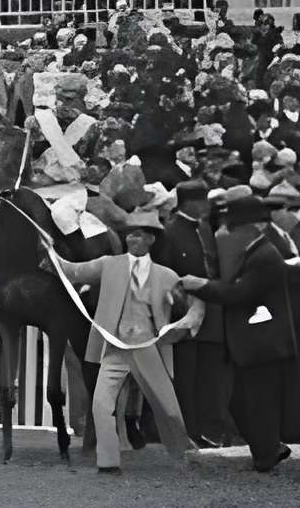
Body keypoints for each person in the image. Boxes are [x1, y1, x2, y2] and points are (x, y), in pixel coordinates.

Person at [54, 203, 204, 474]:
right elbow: (74, 271)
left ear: (151, 239)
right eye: (129, 234)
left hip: (149, 349)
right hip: (115, 348)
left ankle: (185, 454)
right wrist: (50, 254)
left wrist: (188, 321)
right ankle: (108, 461)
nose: (132, 238)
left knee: (169, 409)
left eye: (138, 234)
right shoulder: (108, 265)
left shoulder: (166, 276)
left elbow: (193, 303)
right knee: (101, 405)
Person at [204, 188, 300, 474]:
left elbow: (240, 295)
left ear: (253, 228)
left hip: (264, 342)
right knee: (243, 402)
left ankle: (266, 455)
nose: (229, 233)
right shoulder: (254, 252)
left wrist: (200, 287)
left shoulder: (264, 256)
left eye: (235, 227)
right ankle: (269, 448)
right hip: (258, 341)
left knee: (257, 401)